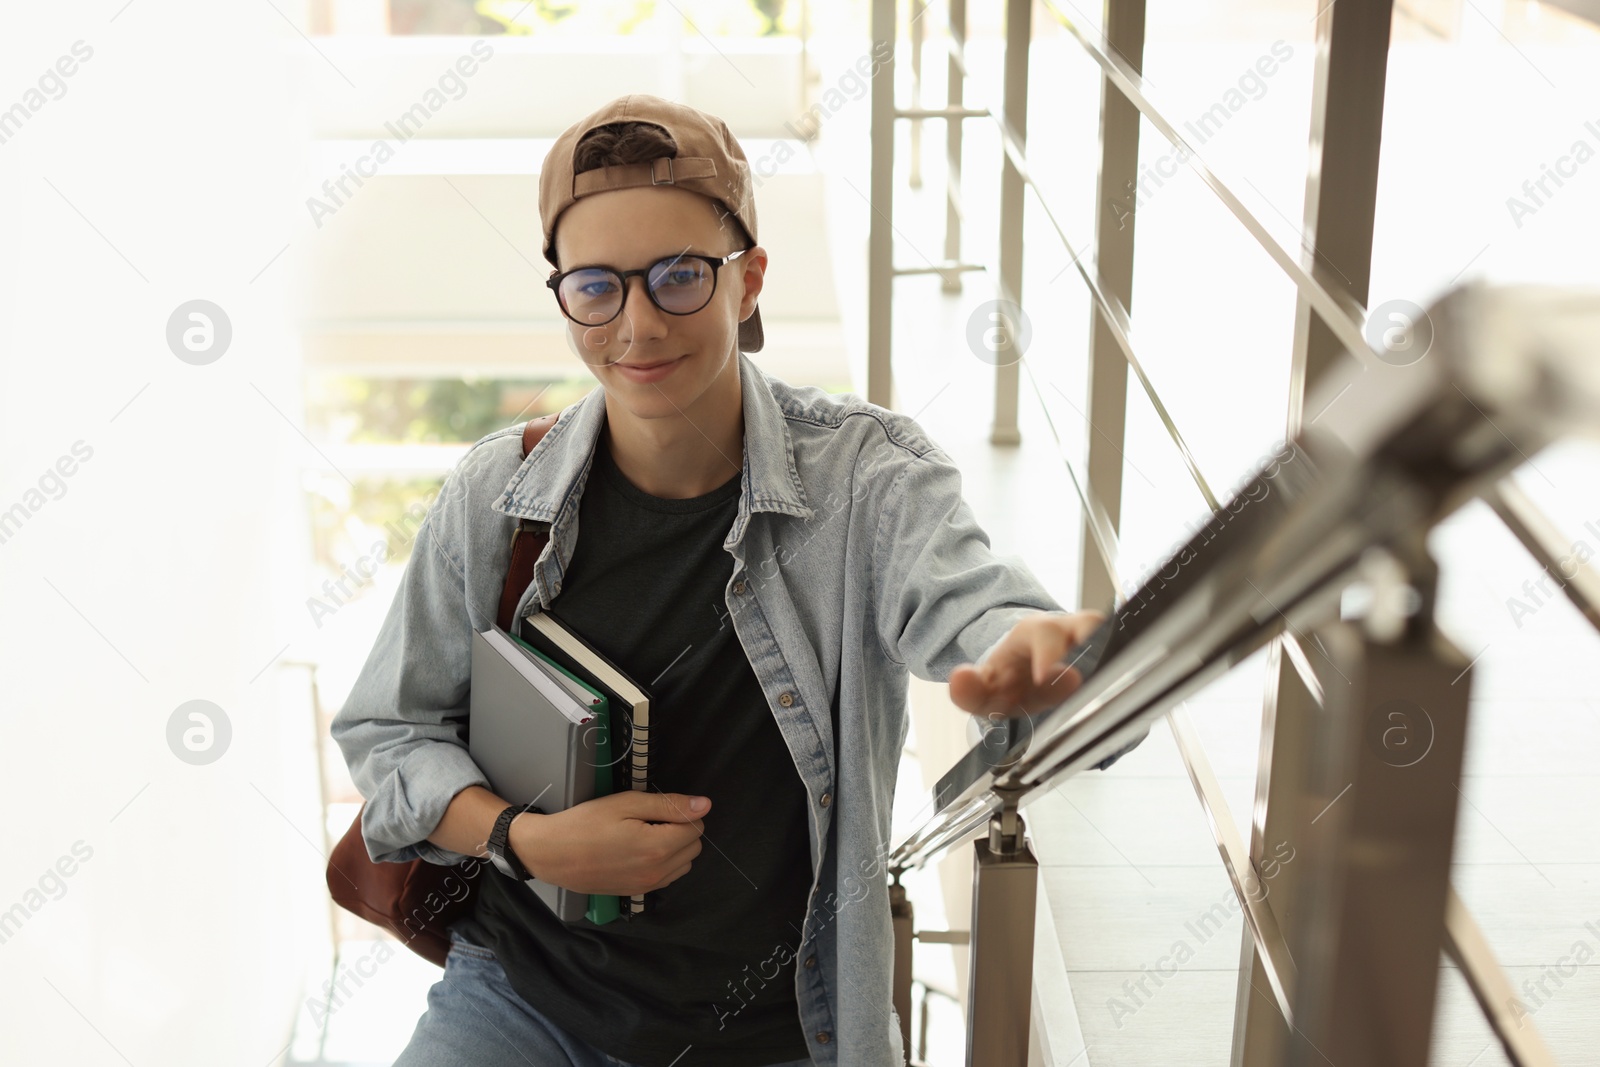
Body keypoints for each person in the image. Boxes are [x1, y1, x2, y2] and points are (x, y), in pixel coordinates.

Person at [331, 93, 1101, 1067]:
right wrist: (526, 841)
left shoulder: (865, 478)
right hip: (522, 999)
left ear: (749, 280)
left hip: (778, 1029)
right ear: (564, 294)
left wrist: (1015, 642)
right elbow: (391, 731)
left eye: (679, 277)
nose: (639, 324)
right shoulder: (497, 493)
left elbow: (967, 596)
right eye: (597, 287)